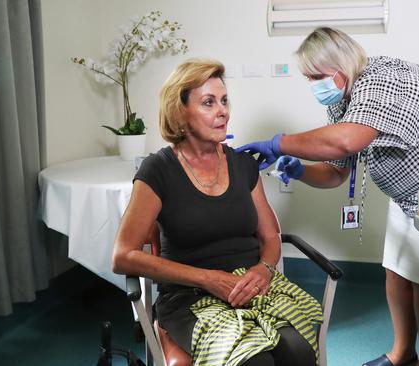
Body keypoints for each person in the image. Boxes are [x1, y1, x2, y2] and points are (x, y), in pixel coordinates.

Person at [237, 27, 419, 366]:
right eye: (308, 78)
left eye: (316, 76)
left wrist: (277, 142)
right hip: (410, 199)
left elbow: (347, 141)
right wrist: (299, 169)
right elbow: (335, 171)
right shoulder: (344, 100)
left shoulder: (386, 80)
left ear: (340, 69)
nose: (313, 85)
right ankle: (402, 353)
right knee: (396, 272)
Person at [112, 59, 321, 366]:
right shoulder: (158, 170)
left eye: (224, 101)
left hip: (251, 286)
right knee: (254, 363)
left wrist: (262, 270)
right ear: (180, 112)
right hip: (190, 297)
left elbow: (270, 236)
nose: (223, 111)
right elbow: (122, 256)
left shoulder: (243, 165)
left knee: (299, 351)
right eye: (208, 103)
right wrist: (208, 279)